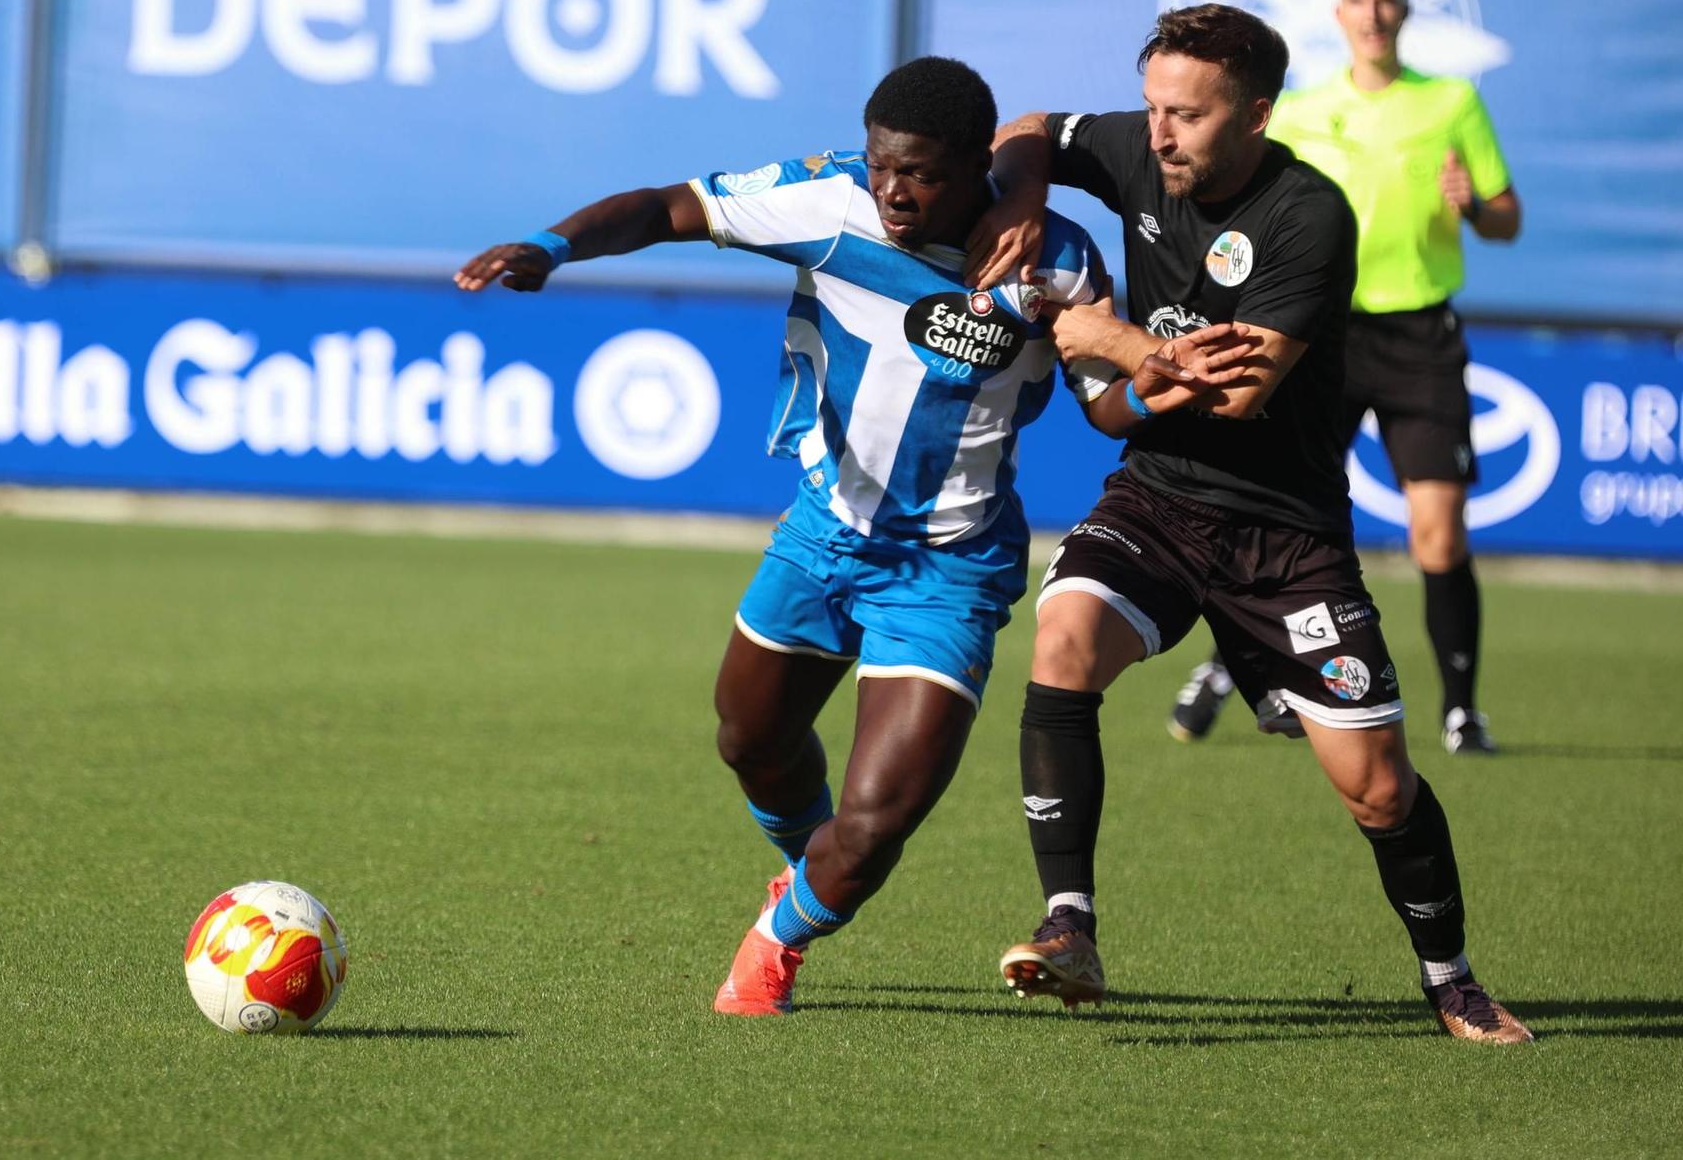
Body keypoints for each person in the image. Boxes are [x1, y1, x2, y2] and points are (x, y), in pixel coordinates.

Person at [454, 56, 1251, 1017]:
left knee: (876, 826)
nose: (891, 191)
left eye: (916, 173)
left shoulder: (1058, 260)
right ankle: (808, 871)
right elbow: (668, 207)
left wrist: (1153, 388)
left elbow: (1104, 408)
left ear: (976, 167)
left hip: (951, 569)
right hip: (821, 536)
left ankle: (777, 941)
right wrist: (551, 244)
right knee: (750, 740)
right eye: (880, 166)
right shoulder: (828, 200)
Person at [963, 5, 1531, 1042]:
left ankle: (1449, 977)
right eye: (1150, 108)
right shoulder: (1139, 147)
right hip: (1156, 497)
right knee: (1062, 637)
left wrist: (1109, 336)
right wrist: (1027, 194)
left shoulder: (1306, 215)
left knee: (1374, 788)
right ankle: (1067, 926)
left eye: (1185, 114)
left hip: (1284, 534)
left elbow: (1232, 393)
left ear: (1257, 114)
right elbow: (1032, 123)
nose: (1158, 133)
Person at [1166, 0, 1523, 755]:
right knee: (1274, 512)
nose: (1372, 14)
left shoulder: (1452, 102)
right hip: (1317, 336)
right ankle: (1231, 665)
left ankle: (1462, 711)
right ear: (1338, 11)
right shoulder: (1298, 111)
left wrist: (1476, 208)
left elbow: (1508, 218)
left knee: (1440, 532)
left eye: (1386, 0)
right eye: (1357, 0)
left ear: (1403, 8)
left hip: (1420, 337)